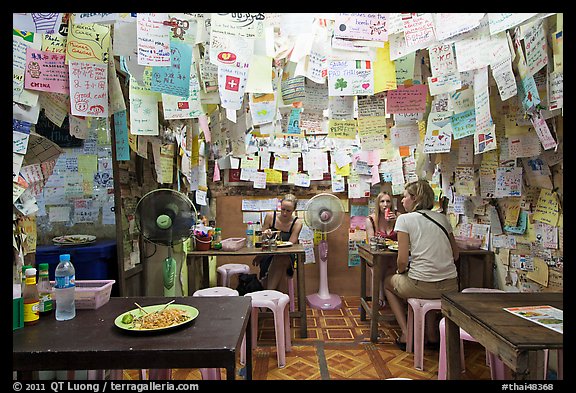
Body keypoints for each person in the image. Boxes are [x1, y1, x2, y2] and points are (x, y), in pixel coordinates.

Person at [384, 179, 460, 349]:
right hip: (450, 285)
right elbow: (456, 255)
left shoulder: (404, 219)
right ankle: (432, 334)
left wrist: (400, 270)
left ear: (416, 198)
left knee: (387, 283)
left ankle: (406, 333)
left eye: (405, 197)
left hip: (421, 285)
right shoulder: (442, 218)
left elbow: (402, 260)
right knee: (432, 287)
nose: (402, 201)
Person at [253, 194, 303, 293]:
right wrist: (266, 235)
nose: (284, 213)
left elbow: (291, 245)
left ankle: (268, 294)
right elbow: (260, 238)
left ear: (293, 210)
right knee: (273, 262)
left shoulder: (297, 223)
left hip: (286, 254)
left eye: (288, 211)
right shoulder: (270, 217)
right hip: (268, 251)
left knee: (281, 258)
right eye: (283, 209)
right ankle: (269, 295)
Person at [365, 191, 398, 308]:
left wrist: (394, 223)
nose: (385, 205)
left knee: (393, 268)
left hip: (394, 256)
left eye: (388, 201)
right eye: (382, 201)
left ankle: (392, 298)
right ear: (378, 204)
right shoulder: (371, 220)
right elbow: (371, 241)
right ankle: (379, 298)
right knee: (377, 268)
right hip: (377, 256)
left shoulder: (398, 218)